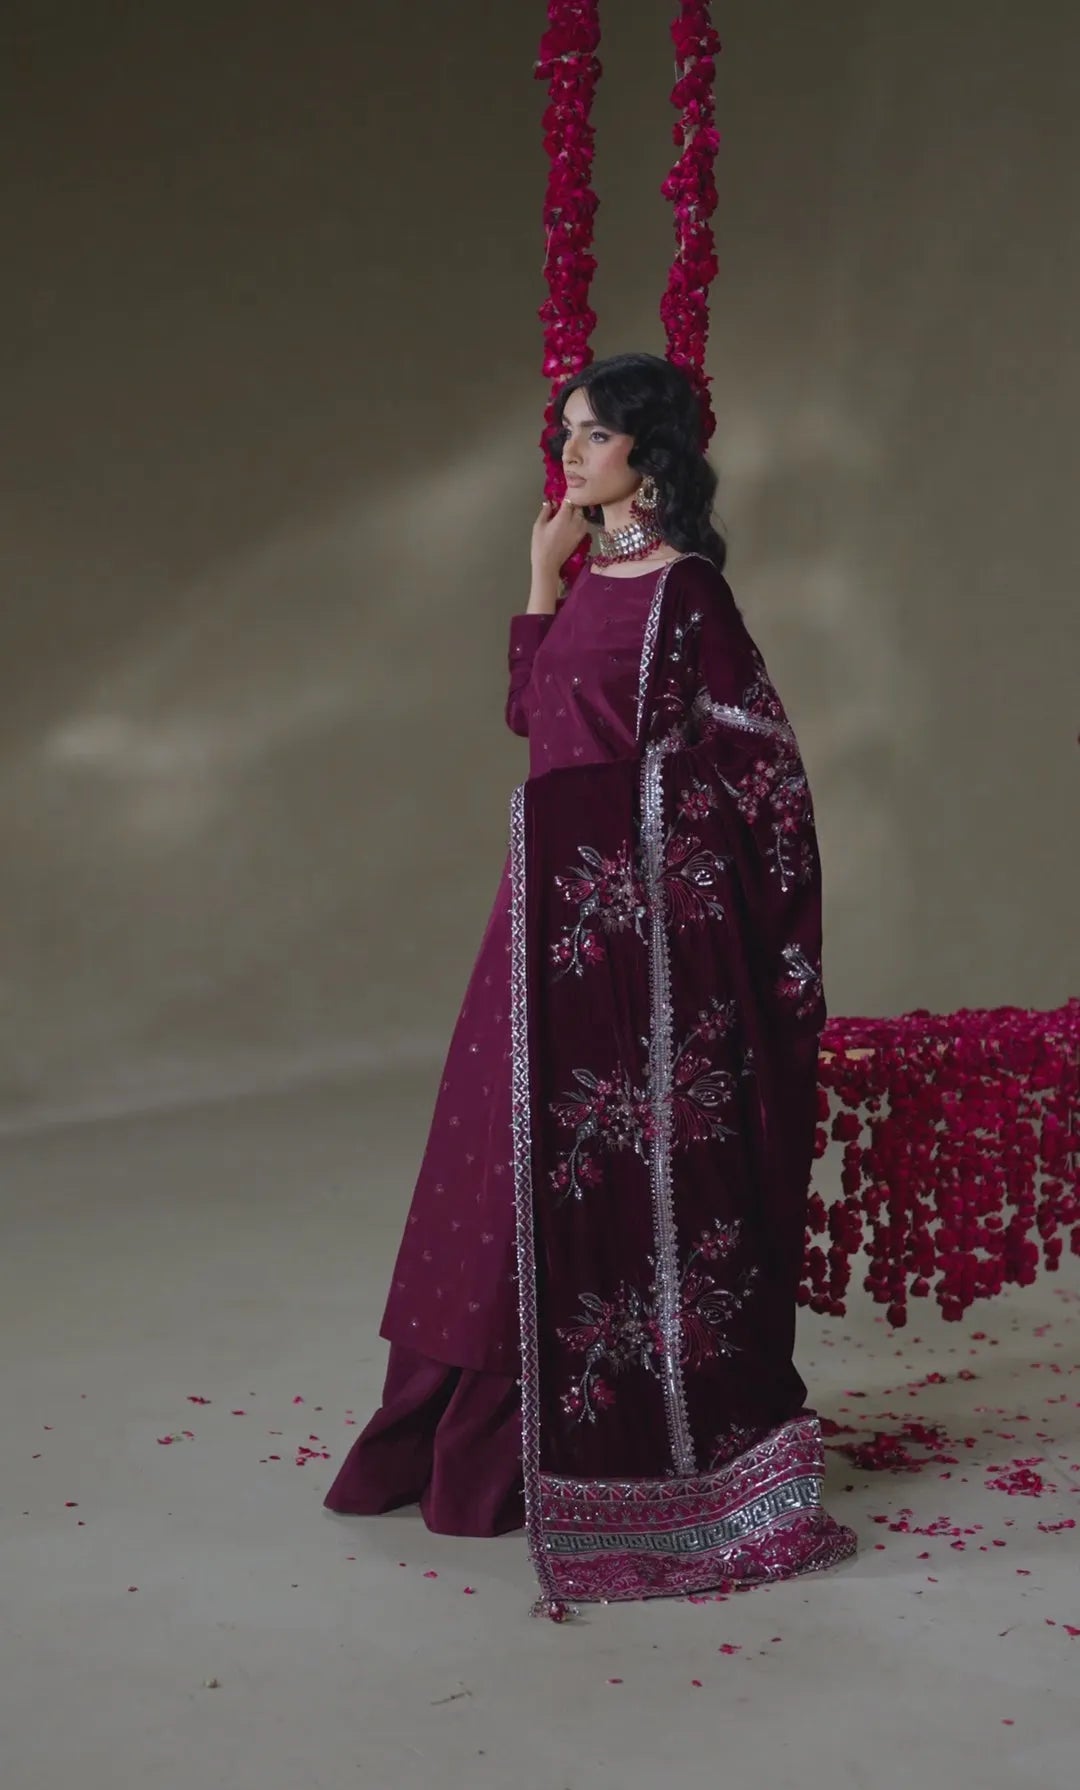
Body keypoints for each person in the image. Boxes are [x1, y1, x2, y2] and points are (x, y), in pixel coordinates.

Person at [325, 352, 856, 1611]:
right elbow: (535, 716)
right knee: (493, 1163)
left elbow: (764, 771)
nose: (571, 452)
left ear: (649, 454)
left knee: (607, 1172)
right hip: (547, 919)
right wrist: (537, 575)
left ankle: (629, 1439)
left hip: (636, 941)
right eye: (565, 430)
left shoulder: (688, 593)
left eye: (595, 434)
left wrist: (646, 851)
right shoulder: (586, 578)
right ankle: (473, 1429)